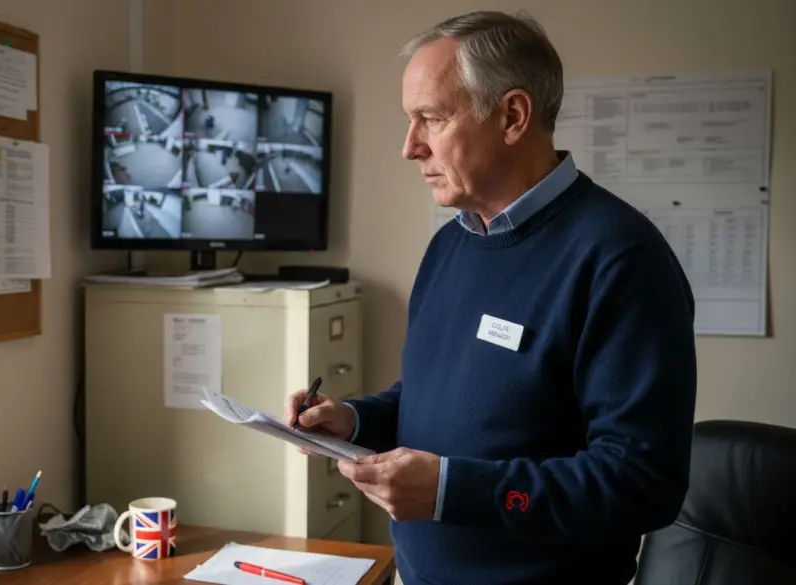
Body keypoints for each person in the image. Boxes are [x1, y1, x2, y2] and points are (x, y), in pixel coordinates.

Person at [285, 10, 697, 585]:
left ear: (512, 116)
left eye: (430, 118)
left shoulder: (621, 259)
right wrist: (354, 422)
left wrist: (456, 490)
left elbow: (641, 483)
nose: (410, 147)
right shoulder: (448, 247)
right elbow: (440, 400)